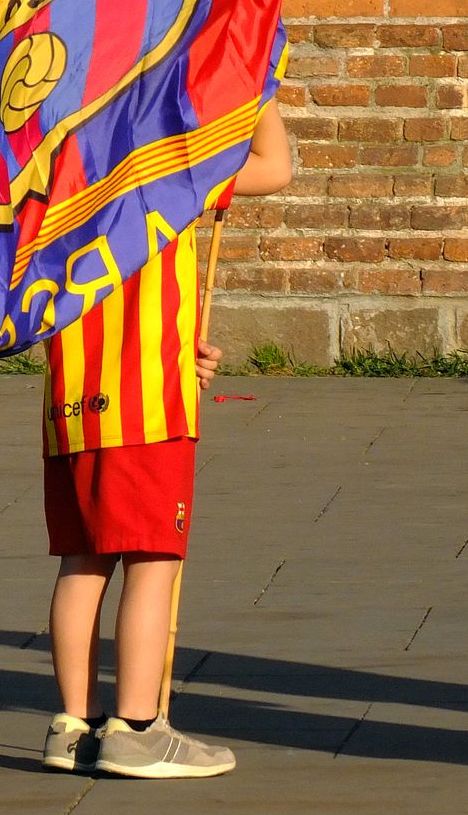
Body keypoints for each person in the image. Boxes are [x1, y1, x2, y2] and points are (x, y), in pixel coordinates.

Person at [41, 98, 293, 779]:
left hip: (73, 398)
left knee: (82, 560)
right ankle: (138, 726)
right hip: (147, 403)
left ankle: (71, 725)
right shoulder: (177, 169)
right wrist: (257, 85)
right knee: (154, 562)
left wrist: (187, 346)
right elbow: (277, 164)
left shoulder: (59, 168)